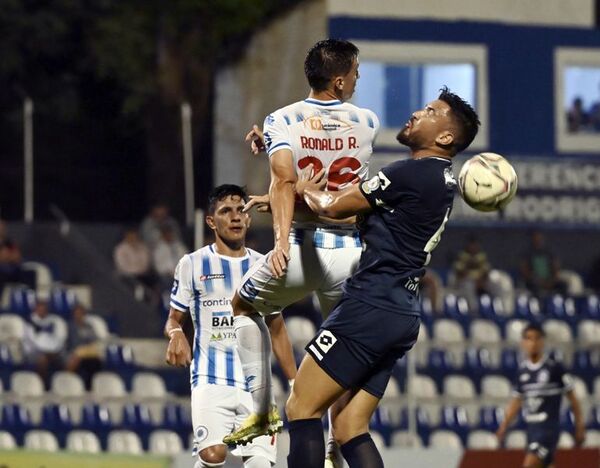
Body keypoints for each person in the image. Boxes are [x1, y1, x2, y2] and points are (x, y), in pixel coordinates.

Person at [283, 87, 480, 468]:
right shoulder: (440, 182)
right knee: (348, 426)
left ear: (445, 137)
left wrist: (303, 189)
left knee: (301, 407)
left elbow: (336, 206)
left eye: (430, 111)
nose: (417, 113)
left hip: (369, 306)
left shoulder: (413, 172)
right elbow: (360, 217)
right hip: (401, 312)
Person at [223, 39, 379, 462]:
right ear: (340, 79)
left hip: (298, 249)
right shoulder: (368, 120)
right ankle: (334, 447)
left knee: (241, 305)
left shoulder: (282, 119)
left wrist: (277, 242)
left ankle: (258, 407)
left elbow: (286, 181)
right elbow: (331, 179)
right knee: (342, 352)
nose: (359, 80)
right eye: (357, 73)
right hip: (350, 253)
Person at [163, 185, 296, 468]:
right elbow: (174, 318)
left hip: (257, 387)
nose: (235, 217)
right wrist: (176, 333)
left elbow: (277, 328)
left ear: (248, 218)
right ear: (211, 221)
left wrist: (295, 383)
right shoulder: (192, 264)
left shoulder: (266, 265)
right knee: (213, 455)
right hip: (210, 380)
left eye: (241, 210)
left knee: (261, 464)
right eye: (226, 211)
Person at [496, 323, 585, 468]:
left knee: (530, 464)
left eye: (537, 338)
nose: (533, 343)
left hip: (548, 429)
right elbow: (516, 401)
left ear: (543, 341)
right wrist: (504, 425)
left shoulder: (554, 368)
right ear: (523, 343)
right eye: (529, 339)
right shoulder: (522, 372)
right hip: (531, 429)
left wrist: (580, 426)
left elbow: (573, 399)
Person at [23, 299, 68, 383]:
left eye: (44, 309)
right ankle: (42, 385)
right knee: (42, 359)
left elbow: (61, 338)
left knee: (68, 359)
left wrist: (53, 350)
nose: (42, 311)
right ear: (35, 310)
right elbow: (33, 342)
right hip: (35, 352)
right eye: (39, 309)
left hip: (55, 352)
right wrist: (46, 351)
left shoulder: (56, 321)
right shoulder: (29, 323)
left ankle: (64, 384)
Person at [65, 304, 103, 389]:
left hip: (87, 353)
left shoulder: (89, 326)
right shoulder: (70, 326)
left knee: (96, 361)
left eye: (80, 313)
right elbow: (72, 343)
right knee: (77, 361)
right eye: (76, 313)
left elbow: (94, 340)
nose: (78, 315)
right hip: (74, 352)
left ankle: (91, 387)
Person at [451, 237, 491, 312]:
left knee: (492, 282)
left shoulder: (481, 256)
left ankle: (498, 313)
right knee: (469, 285)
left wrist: (480, 280)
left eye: (475, 245)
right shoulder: (462, 256)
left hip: (480, 284)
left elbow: (486, 272)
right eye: (471, 245)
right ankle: (474, 312)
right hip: (463, 285)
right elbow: (460, 273)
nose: (473, 248)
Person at [520, 231, 564, 297]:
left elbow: (556, 268)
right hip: (535, 281)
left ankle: (563, 305)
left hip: (549, 280)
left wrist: (552, 280)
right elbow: (525, 270)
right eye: (536, 238)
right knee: (534, 287)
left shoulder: (549, 252)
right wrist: (539, 281)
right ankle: (539, 306)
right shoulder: (528, 253)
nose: (538, 240)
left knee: (563, 286)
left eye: (540, 238)